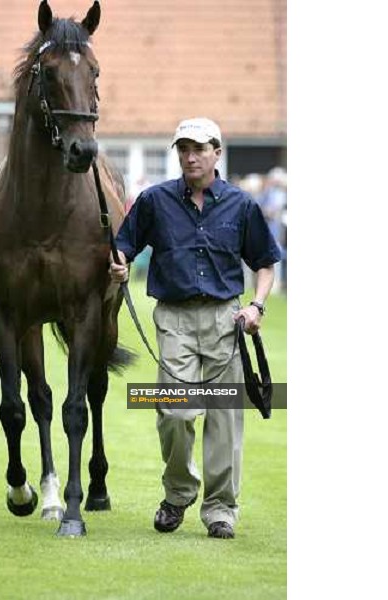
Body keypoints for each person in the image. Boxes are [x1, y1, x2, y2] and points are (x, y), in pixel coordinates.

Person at [109, 118, 281, 539]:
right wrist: (118, 262)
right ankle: (179, 491)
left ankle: (221, 509)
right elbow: (124, 245)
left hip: (227, 321)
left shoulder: (241, 205)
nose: (189, 156)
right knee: (175, 410)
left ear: (216, 153)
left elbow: (264, 262)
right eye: (183, 148)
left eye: (199, 148)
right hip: (175, 319)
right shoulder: (154, 201)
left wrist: (257, 305)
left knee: (224, 417)